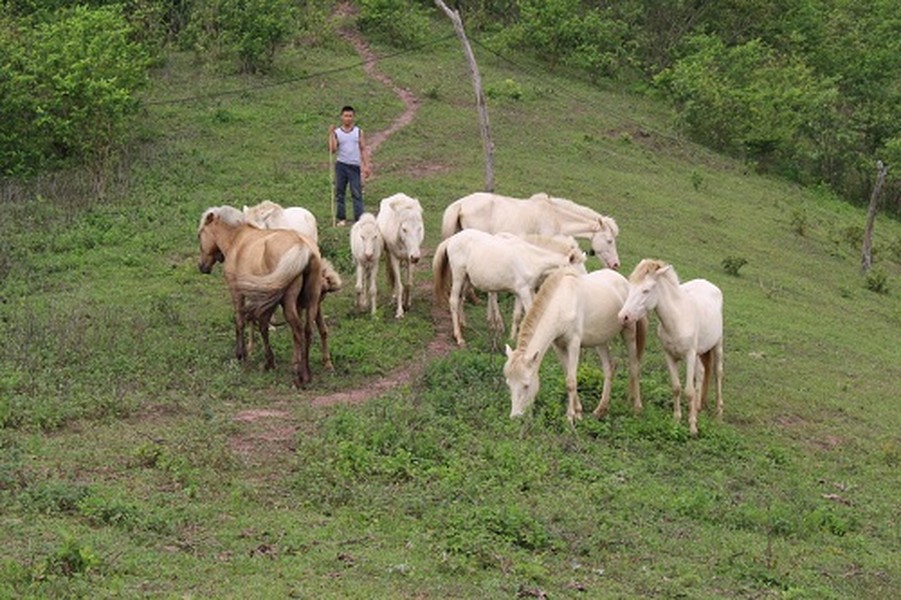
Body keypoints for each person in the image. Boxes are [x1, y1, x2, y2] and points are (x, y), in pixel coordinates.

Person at [328, 105, 371, 226]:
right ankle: (341, 218)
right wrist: (330, 135)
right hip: (341, 165)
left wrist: (366, 165)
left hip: (354, 166)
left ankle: (359, 218)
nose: (348, 118)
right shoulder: (337, 133)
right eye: (346, 116)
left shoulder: (358, 132)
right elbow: (332, 149)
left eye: (350, 116)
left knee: (356, 193)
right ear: (341, 117)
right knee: (340, 192)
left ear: (353, 117)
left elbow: (363, 149)